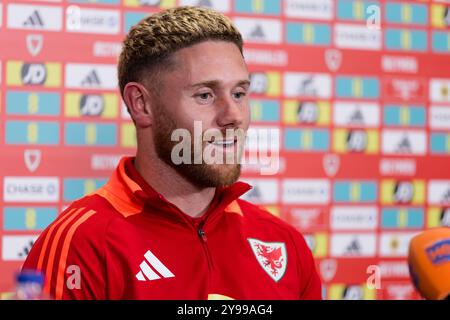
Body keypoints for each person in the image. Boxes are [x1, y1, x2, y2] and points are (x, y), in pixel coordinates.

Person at [22, 6, 322, 300]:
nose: (234, 116)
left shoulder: (283, 242)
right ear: (141, 104)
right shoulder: (81, 243)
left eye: (239, 94)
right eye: (205, 95)